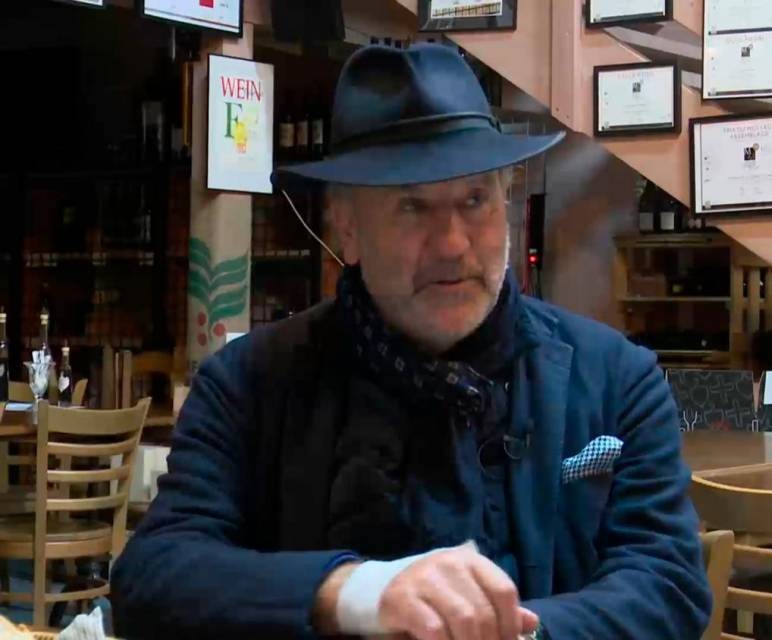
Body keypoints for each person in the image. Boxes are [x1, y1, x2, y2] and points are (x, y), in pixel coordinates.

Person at [111, 43, 711, 640]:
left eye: (474, 199)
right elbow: (154, 576)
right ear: (347, 229)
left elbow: (668, 584)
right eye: (411, 206)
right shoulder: (248, 383)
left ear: (505, 201)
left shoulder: (617, 380)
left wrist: (513, 634)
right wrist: (353, 593)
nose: (452, 244)